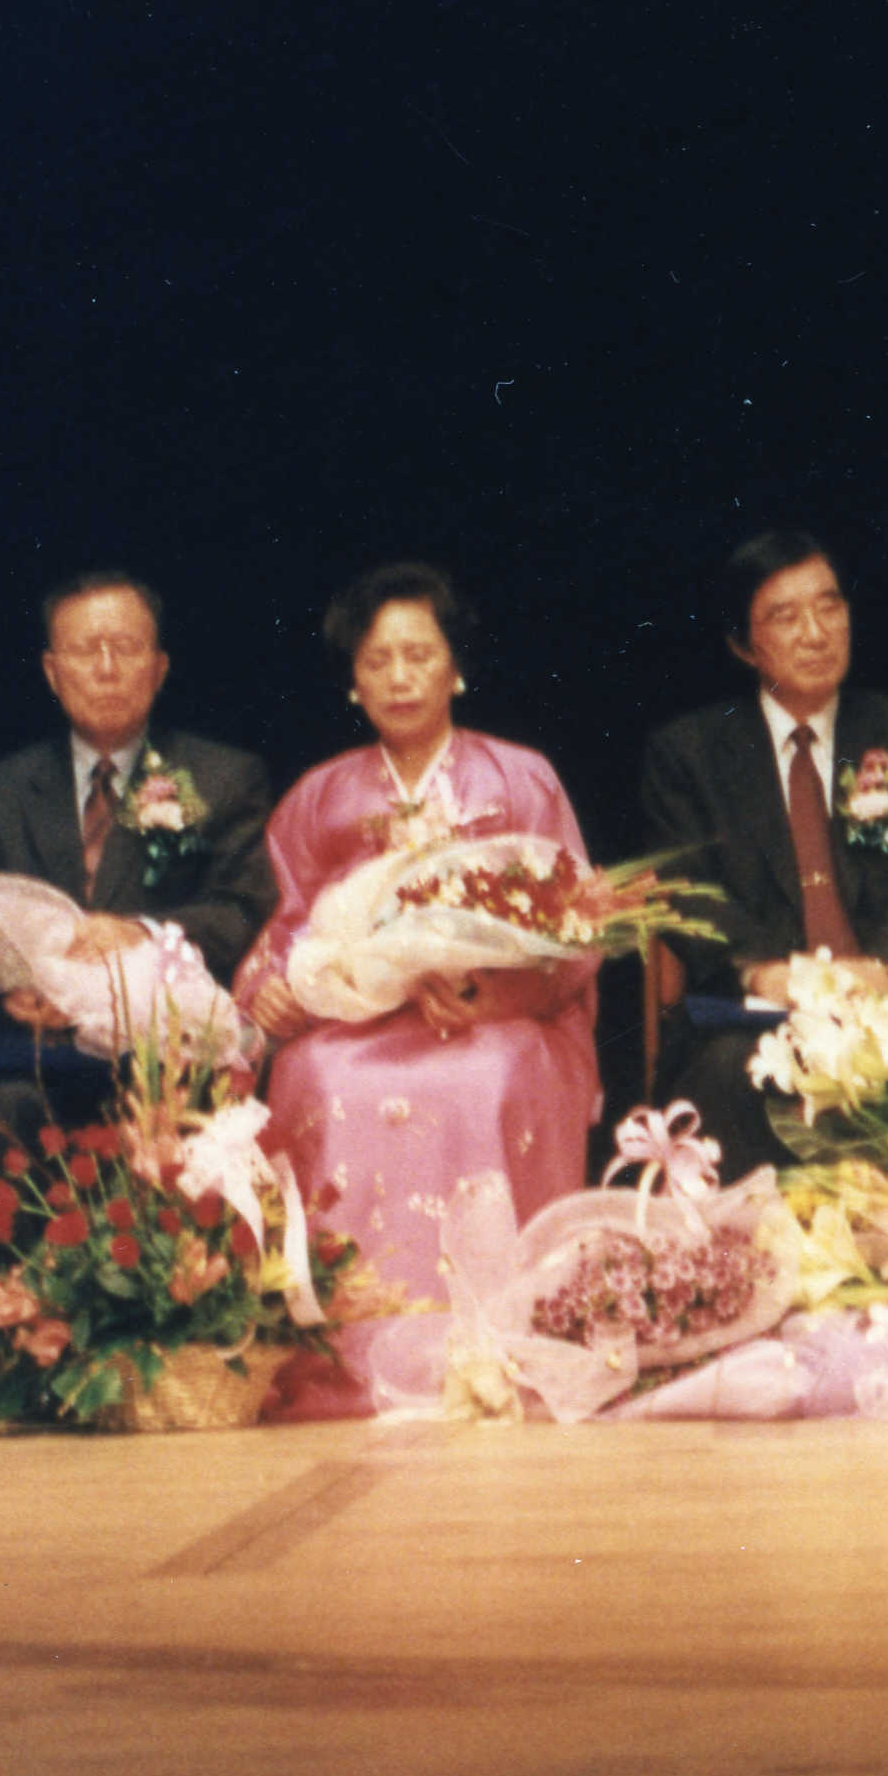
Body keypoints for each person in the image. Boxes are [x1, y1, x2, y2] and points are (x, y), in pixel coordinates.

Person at [234, 565, 601, 1412]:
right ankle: (348, 1350)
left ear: (455, 667)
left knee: (490, 1073)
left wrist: (490, 993)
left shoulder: (521, 779)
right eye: (377, 660)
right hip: (359, 1024)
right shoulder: (321, 795)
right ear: (353, 680)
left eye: (419, 655)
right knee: (316, 1072)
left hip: (492, 1017)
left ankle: (498, 1342)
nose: (399, 677)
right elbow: (285, 924)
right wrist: (272, 988)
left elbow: (577, 925)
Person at [638, 532, 888, 1176]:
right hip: (753, 1019)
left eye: (829, 607)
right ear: (743, 644)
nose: (816, 633)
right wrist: (766, 973)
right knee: (729, 1074)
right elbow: (685, 887)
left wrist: (880, 970)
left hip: (887, 1002)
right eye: (786, 617)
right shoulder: (689, 753)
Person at [0, 569, 279, 996]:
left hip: (169, 1021)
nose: (106, 669)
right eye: (85, 650)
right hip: (35, 1030)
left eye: (126, 648)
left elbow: (242, 910)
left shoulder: (226, 778)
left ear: (159, 668)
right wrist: (17, 992)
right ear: (52, 672)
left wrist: (141, 935)